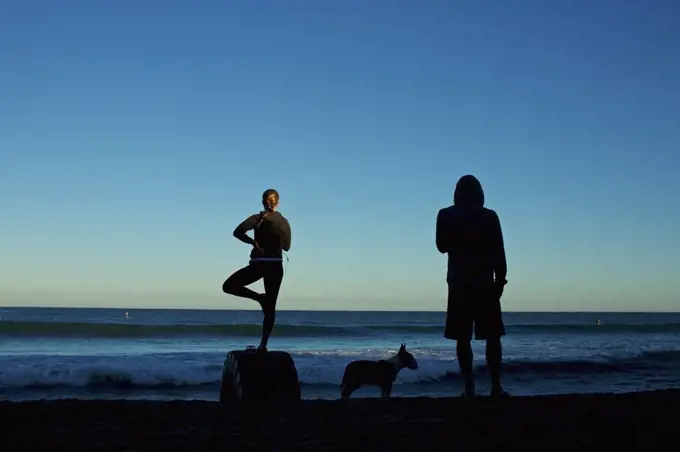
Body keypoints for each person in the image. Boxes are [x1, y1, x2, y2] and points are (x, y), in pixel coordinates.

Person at [435, 175, 509, 397]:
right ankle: (495, 386)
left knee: (462, 337)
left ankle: (469, 387)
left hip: (458, 283)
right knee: (493, 336)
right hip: (486, 283)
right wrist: (501, 281)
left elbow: (441, 246)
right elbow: (499, 252)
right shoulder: (489, 217)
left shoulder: (446, 214)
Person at [222, 189, 291, 352]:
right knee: (271, 307)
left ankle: (259, 298)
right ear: (278, 203)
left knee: (229, 286)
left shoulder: (257, 218)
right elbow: (287, 247)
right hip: (275, 265)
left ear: (263, 202)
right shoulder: (284, 222)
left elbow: (237, 232)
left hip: (258, 264)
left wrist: (253, 242)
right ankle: (263, 345)